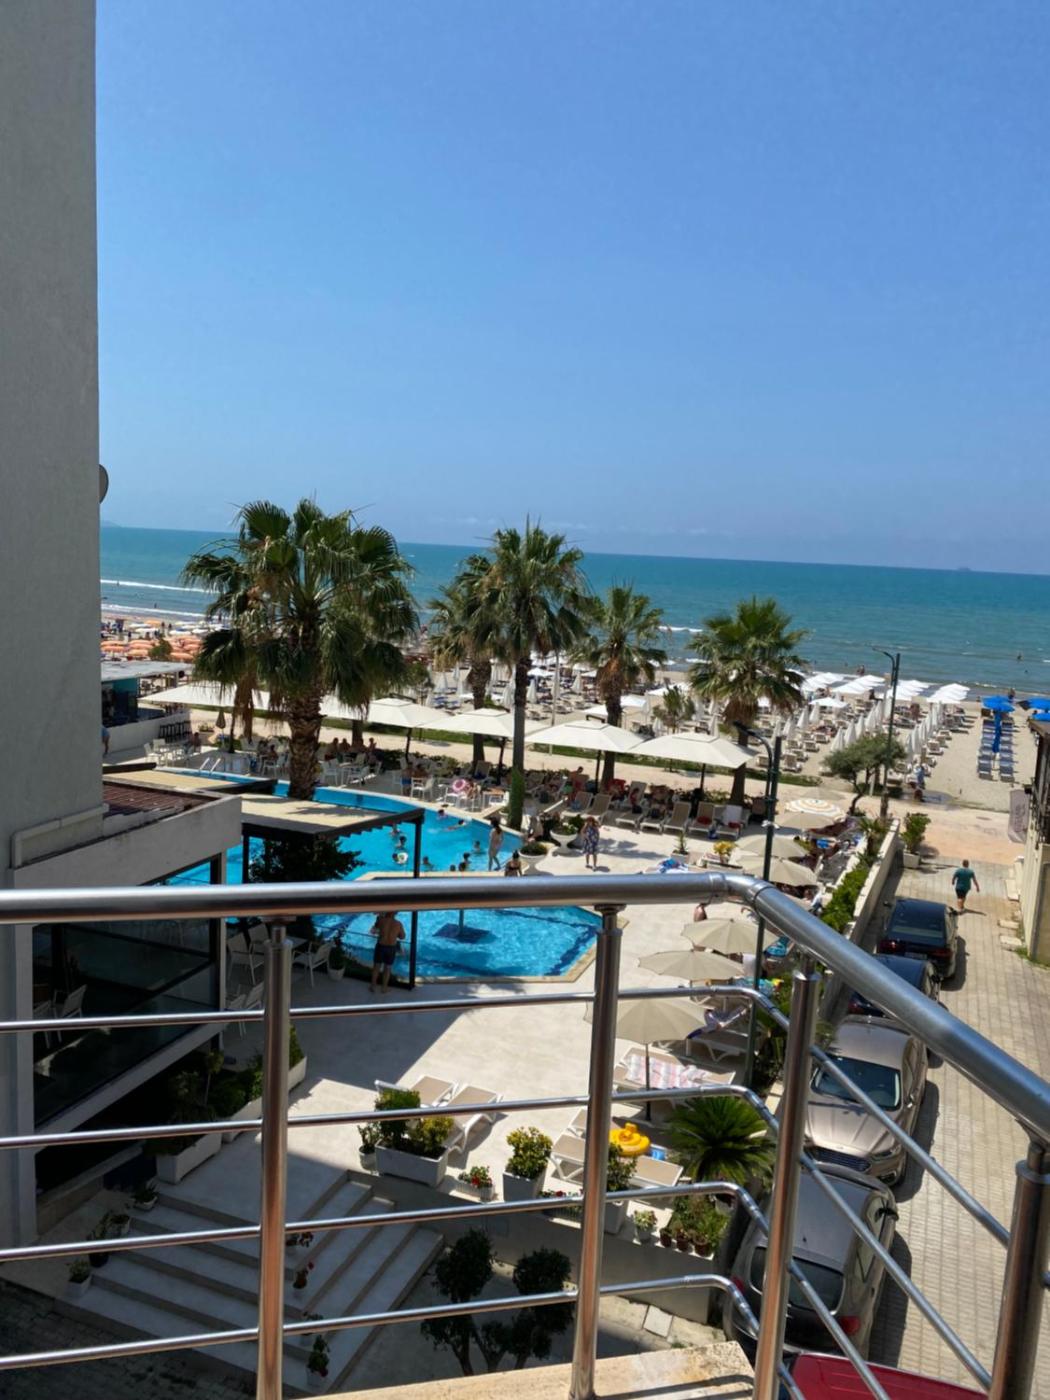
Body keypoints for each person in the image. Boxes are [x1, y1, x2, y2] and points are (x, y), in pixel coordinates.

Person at [370, 911, 404, 994]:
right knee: (387, 968)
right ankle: (384, 988)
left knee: (376, 967)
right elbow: (402, 936)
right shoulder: (398, 924)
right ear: (395, 914)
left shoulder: (381, 921)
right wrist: (395, 933)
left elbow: (375, 928)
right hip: (391, 948)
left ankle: (373, 986)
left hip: (381, 946)